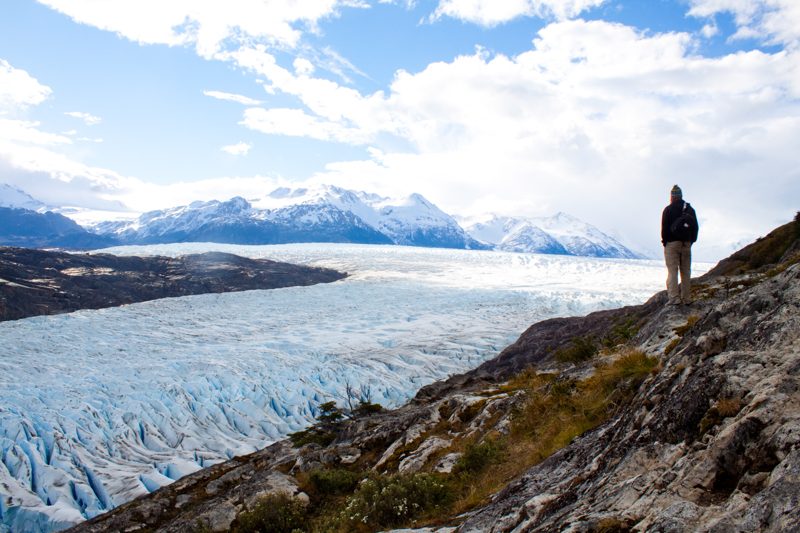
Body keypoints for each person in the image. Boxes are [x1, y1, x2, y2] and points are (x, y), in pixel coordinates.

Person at [661, 184, 698, 305]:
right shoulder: (690, 210)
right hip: (686, 244)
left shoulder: (668, 209)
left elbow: (664, 230)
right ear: (681, 196)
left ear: (672, 197)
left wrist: (665, 242)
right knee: (686, 271)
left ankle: (674, 298)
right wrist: (690, 241)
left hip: (672, 244)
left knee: (672, 271)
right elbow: (695, 228)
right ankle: (686, 298)